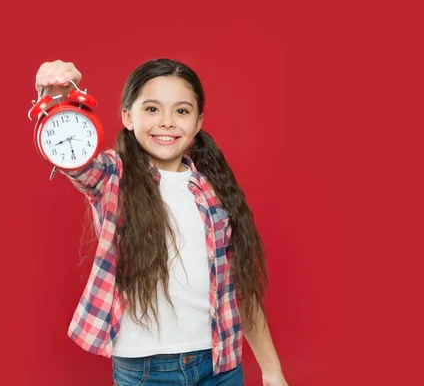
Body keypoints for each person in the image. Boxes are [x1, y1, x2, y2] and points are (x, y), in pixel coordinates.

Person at [34, 59, 289, 386]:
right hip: (147, 372)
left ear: (198, 122)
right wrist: (59, 100)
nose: (167, 122)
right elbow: (72, 159)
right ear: (128, 116)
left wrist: (272, 370)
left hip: (220, 365)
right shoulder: (113, 178)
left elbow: (240, 288)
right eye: (152, 109)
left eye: (181, 111)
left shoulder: (215, 190)